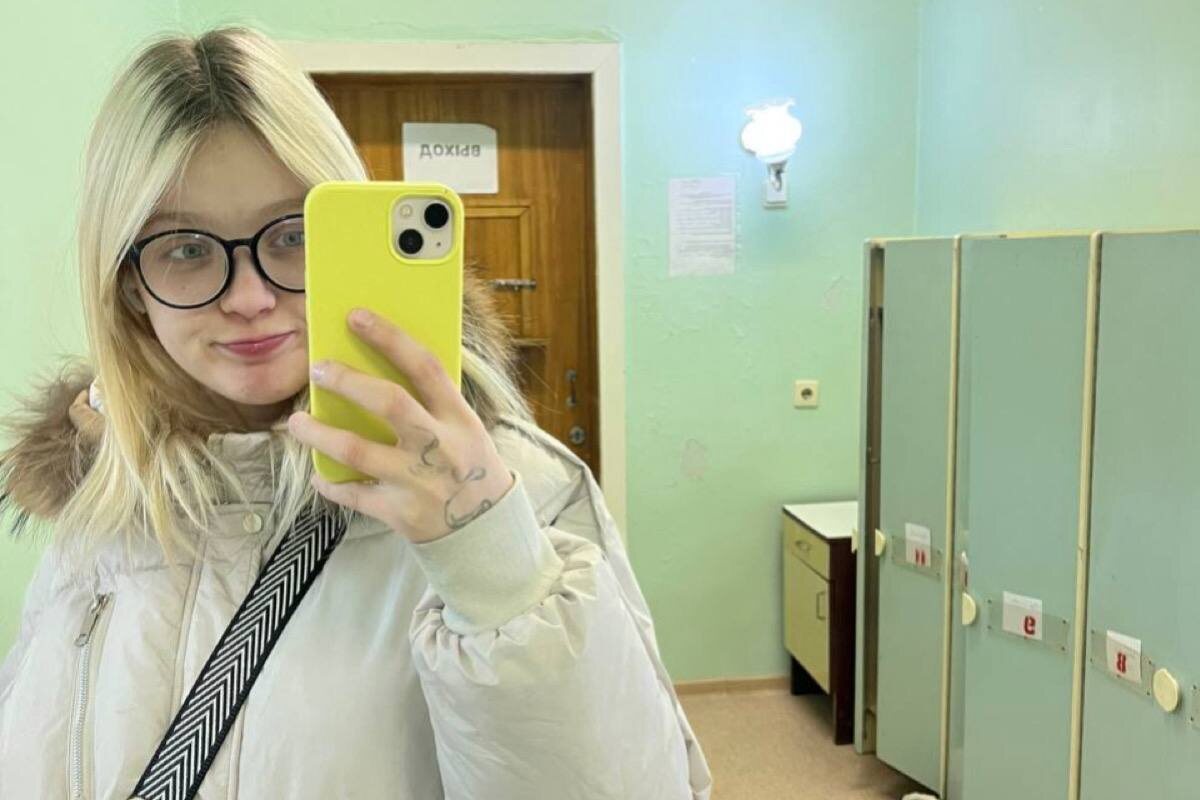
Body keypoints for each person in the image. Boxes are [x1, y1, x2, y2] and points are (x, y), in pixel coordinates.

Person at [0, 25, 712, 799]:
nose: (249, 297)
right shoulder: (100, 496)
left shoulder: (514, 494)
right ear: (129, 285)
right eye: (186, 249)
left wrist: (493, 571)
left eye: (294, 235)